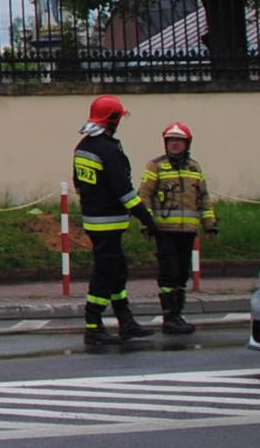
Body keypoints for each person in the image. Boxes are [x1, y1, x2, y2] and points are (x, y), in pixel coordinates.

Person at [73, 93, 154, 350]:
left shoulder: (84, 146)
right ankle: (93, 325)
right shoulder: (108, 149)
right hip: (108, 221)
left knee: (117, 271)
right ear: (113, 119)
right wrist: (148, 219)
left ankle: (125, 319)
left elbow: (79, 184)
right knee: (105, 274)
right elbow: (125, 191)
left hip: (95, 218)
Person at [140, 121, 217, 337]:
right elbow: (144, 195)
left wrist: (209, 224)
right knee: (168, 273)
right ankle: (169, 318)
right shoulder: (155, 166)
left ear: (187, 143)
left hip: (188, 231)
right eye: (170, 140)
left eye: (179, 140)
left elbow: (204, 198)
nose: (174, 144)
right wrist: (145, 223)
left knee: (183, 273)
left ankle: (178, 315)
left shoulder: (195, 167)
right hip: (164, 231)